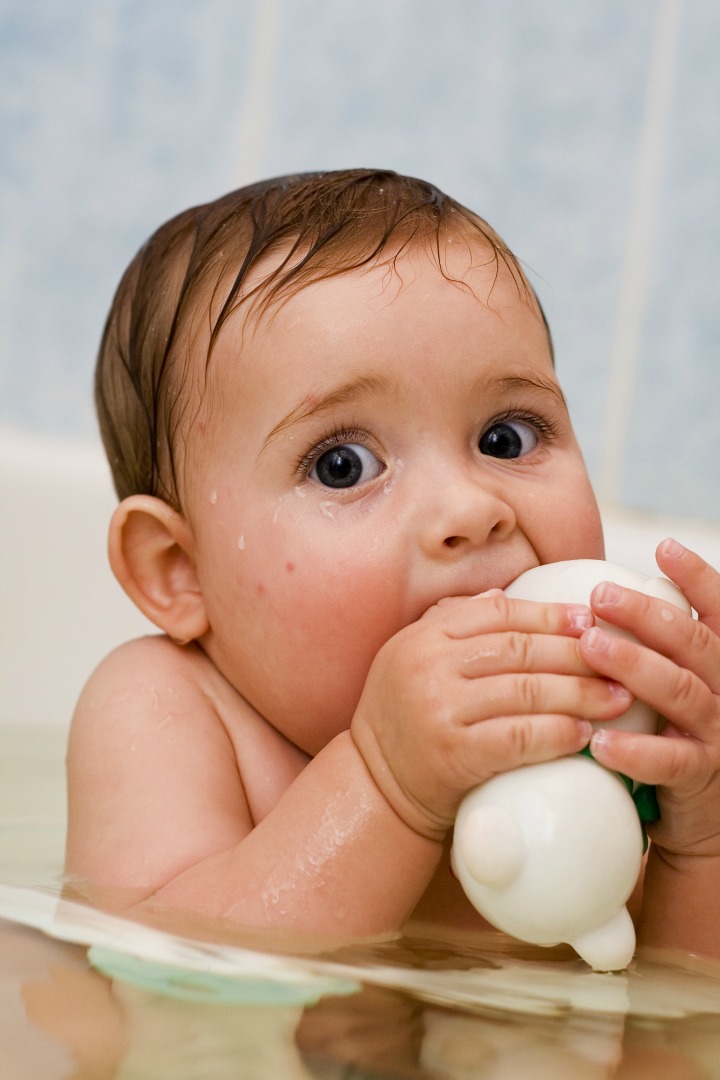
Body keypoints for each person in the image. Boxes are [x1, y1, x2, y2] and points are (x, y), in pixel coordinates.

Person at [65, 170, 720, 958]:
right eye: (343, 465)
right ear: (180, 571)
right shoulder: (167, 711)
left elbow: (673, 1014)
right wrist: (385, 784)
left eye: (506, 437)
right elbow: (157, 989)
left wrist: (700, 842)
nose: (470, 510)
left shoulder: (607, 745)